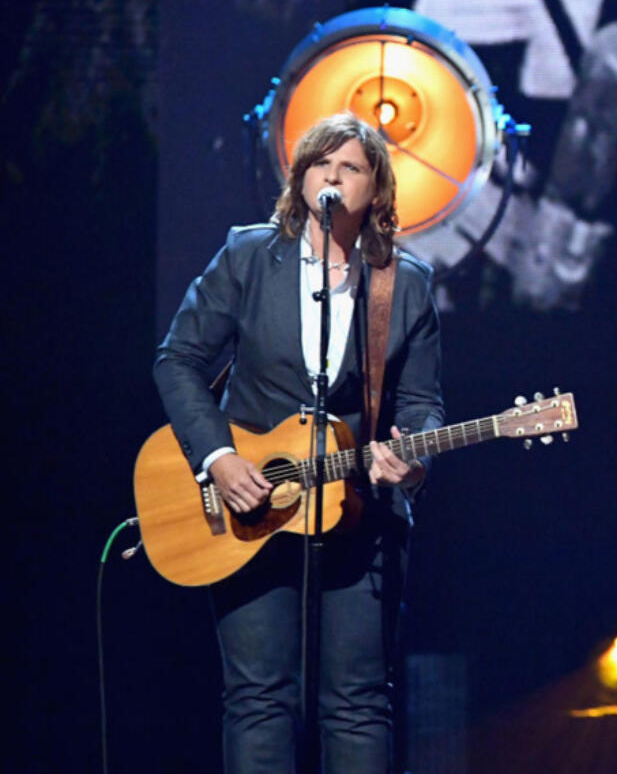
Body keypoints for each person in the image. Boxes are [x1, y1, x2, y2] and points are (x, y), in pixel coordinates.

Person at [153, 112, 445, 774]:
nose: (333, 176)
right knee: (259, 696)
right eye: (321, 163)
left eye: (351, 167)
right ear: (301, 176)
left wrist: (414, 459)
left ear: (377, 188)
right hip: (249, 507)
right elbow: (177, 360)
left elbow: (425, 405)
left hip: (361, 514)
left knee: (358, 702)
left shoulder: (407, 283)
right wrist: (219, 457)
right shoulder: (249, 255)